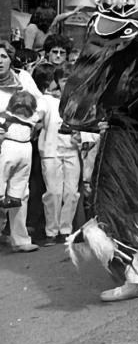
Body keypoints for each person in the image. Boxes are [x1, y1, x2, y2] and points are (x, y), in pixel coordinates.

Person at [32, 63, 81, 245]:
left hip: (71, 150)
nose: (67, 83)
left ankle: (66, 230)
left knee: (71, 193)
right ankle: (51, 231)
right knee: (53, 192)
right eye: (63, 80)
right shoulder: (47, 101)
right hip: (51, 151)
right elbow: (37, 113)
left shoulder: (77, 101)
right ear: (57, 82)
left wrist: (81, 136)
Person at [0, 42, 41, 253]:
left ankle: (20, 239)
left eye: (3, 56)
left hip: (21, 144)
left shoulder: (23, 77)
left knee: (19, 193)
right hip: (3, 143)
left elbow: (40, 103)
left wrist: (31, 121)